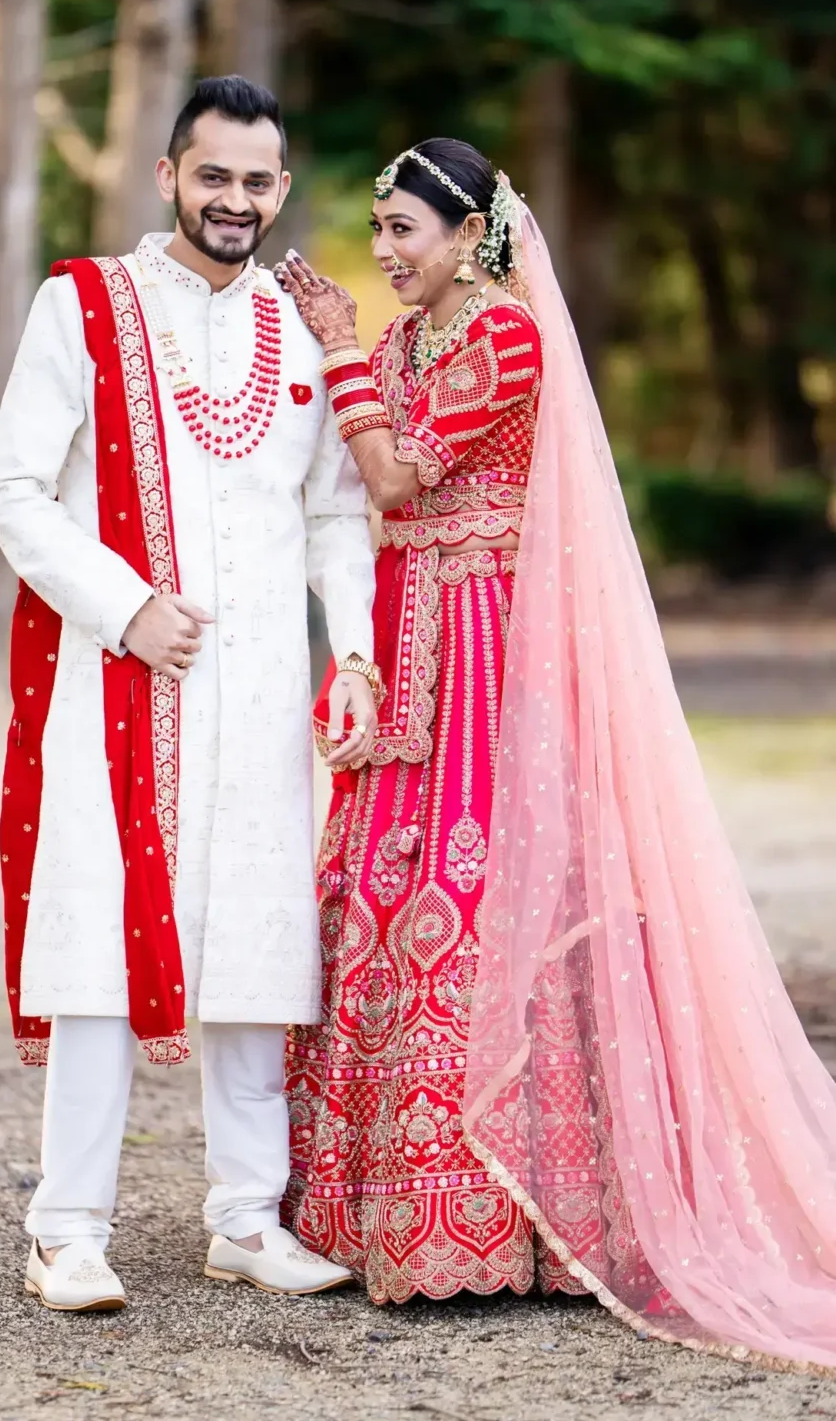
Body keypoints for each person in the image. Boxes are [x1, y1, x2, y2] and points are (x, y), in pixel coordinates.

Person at [274, 138, 836, 1369]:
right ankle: (375, 1215)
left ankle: (510, 1220)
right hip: (406, 628)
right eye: (374, 231)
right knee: (371, 883)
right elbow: (362, 496)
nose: (379, 253)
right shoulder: (407, 339)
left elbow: (399, 474)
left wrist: (335, 351)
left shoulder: (504, 342)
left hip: (482, 645)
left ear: (469, 235)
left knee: (472, 894)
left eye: (401, 233)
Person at [0, 76, 381, 1311]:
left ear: (280, 189)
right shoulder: (84, 305)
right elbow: (13, 489)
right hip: (122, 682)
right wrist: (123, 608)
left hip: (261, 691)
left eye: (259, 181)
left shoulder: (305, 327)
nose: (237, 201)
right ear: (169, 177)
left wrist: (351, 652)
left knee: (260, 946)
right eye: (215, 176)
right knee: (102, 940)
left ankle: (246, 1219)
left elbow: (335, 514)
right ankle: (68, 1229)